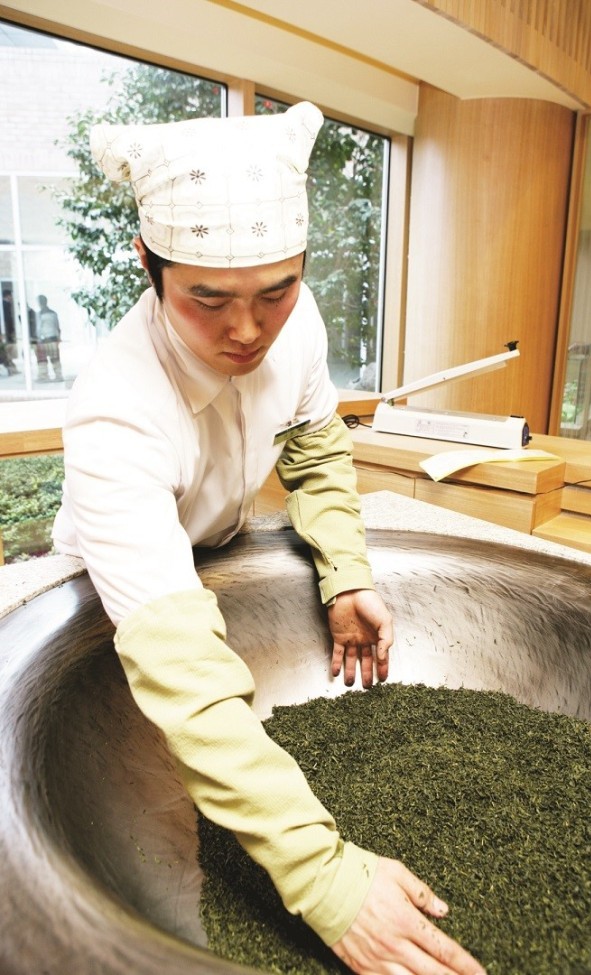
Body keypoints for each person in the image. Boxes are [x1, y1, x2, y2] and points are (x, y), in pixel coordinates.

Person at [53, 103, 485, 975]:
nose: (248, 329)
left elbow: (318, 448)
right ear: (147, 264)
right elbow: (182, 671)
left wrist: (345, 571)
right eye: (206, 299)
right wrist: (326, 876)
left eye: (275, 292)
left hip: (219, 542)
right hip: (120, 590)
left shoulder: (300, 324)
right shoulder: (116, 414)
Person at [35, 293, 63, 381]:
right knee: (55, 359)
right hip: (53, 338)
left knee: (42, 360)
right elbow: (57, 326)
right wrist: (58, 337)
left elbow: (39, 328)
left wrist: (38, 339)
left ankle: (43, 376)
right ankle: (58, 375)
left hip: (44, 340)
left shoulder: (40, 314)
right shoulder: (53, 313)